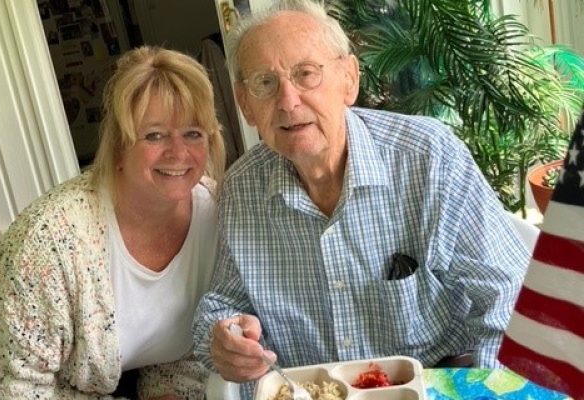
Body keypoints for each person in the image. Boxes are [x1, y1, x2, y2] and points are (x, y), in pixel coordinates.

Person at [191, 1, 530, 398]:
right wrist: (225, 339)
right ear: (245, 104)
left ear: (349, 79)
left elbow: (512, 299)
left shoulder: (430, 158)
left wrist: (491, 391)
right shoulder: (241, 189)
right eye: (265, 83)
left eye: (306, 74)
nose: (288, 101)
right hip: (309, 390)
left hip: (430, 383)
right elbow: (222, 303)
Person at [0, 46, 225, 399]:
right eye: (154, 135)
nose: (178, 152)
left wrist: (169, 392)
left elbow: (188, 347)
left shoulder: (215, 212)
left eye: (193, 133)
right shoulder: (48, 241)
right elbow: (10, 388)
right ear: (119, 146)